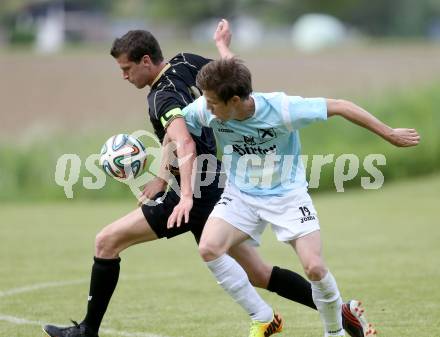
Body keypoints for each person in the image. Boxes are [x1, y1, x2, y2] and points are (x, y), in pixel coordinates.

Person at [43, 21, 371, 337]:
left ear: (146, 61)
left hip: (196, 190)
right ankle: (341, 312)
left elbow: (183, 141)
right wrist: (222, 47)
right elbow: (231, 80)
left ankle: (88, 331)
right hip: (216, 183)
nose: (124, 76)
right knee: (258, 273)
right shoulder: (186, 61)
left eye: (126, 69)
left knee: (106, 241)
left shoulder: (162, 99)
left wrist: (183, 194)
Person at [180, 58, 420, 336]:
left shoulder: (283, 109)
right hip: (241, 194)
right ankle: (262, 316)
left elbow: (341, 106)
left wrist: (390, 134)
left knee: (314, 267)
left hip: (287, 195)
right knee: (209, 247)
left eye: (212, 103)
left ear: (235, 100)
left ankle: (335, 332)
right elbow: (177, 127)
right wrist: (165, 176)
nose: (207, 108)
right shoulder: (205, 109)